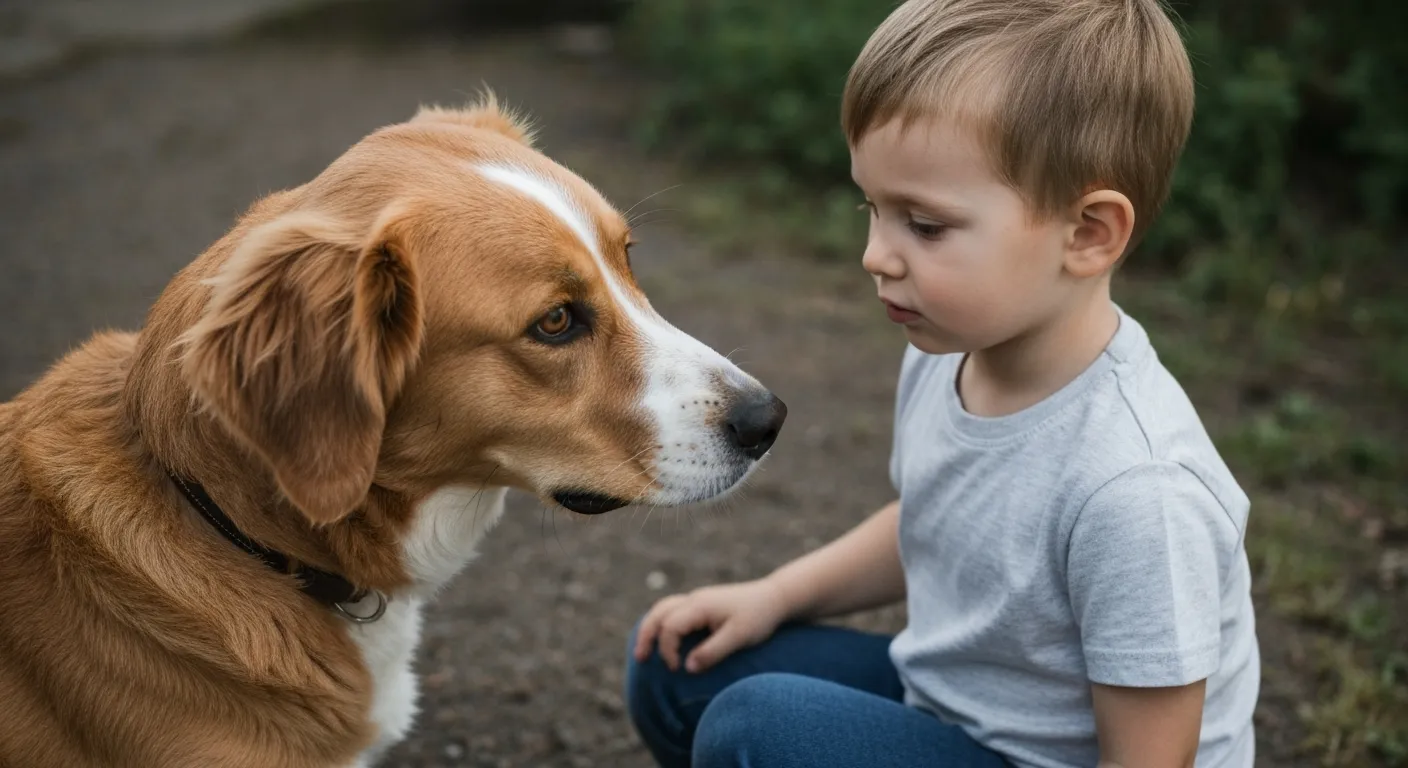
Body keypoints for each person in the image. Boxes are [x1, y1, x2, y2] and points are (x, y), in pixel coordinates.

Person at [623, 1, 1261, 766]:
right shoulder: (944, 349)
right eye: (873, 208)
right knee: (675, 667)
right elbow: (932, 521)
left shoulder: (1137, 490)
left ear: (1088, 233)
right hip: (956, 708)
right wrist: (774, 597)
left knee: (754, 729)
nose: (875, 255)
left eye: (923, 226)